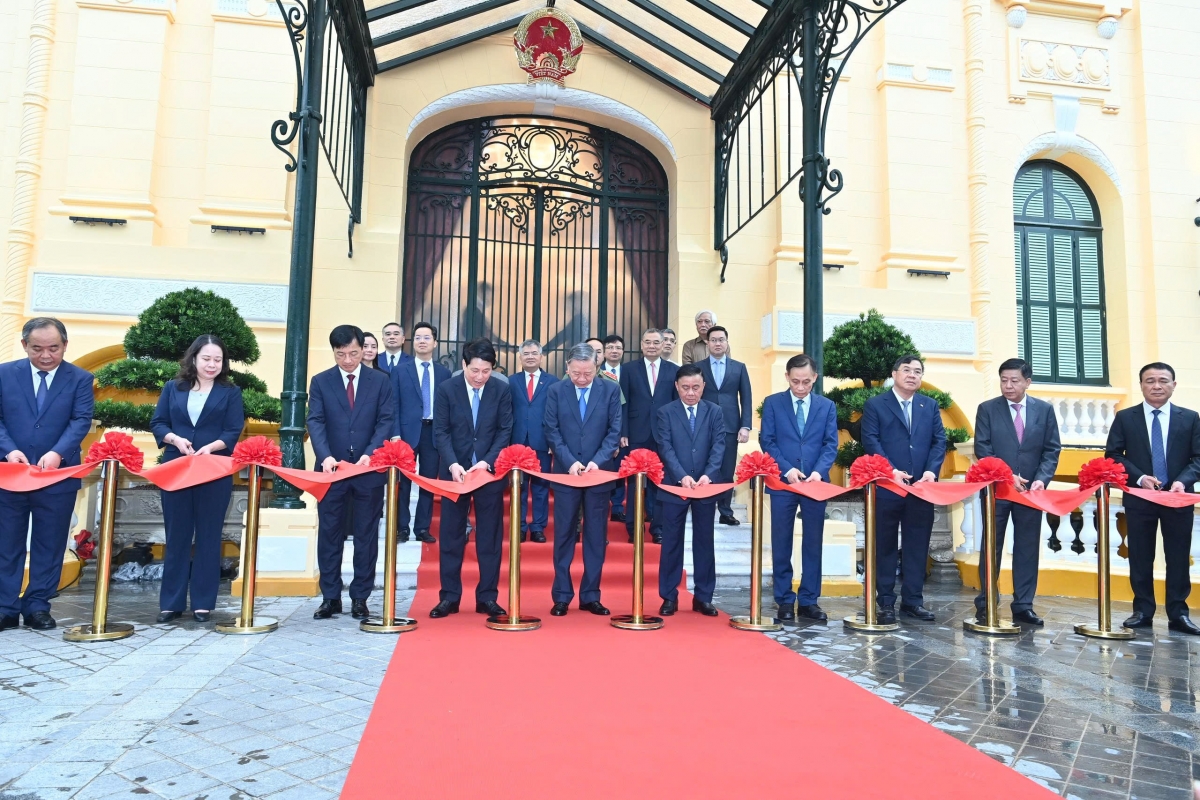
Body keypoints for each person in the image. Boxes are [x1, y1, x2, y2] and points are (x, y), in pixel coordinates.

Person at [0, 318, 94, 631]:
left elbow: (81, 420)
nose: (45, 355)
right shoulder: (4, 374)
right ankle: (5, 607)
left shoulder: (80, 378)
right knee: (6, 543)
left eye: (53, 348)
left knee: (50, 544)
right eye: (37, 348)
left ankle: (38, 606)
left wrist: (58, 453)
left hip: (58, 475)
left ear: (65, 345)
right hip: (10, 474)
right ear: (24, 345)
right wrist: (9, 450)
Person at [150, 335, 246, 623]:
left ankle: (203, 603)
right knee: (176, 535)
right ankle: (171, 603)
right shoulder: (173, 388)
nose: (212, 364)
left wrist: (212, 447)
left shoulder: (230, 392)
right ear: (193, 358)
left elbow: (233, 430)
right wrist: (175, 439)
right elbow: (158, 422)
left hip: (214, 469)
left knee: (208, 535)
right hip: (176, 468)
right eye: (206, 358)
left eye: (218, 359)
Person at [307, 325, 394, 621]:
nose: (347, 360)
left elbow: (385, 421)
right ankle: (330, 597)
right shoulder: (321, 381)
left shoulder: (380, 381)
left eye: (354, 353)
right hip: (332, 471)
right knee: (329, 534)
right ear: (333, 351)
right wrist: (325, 456)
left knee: (366, 536)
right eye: (340, 354)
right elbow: (315, 421)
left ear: (364, 349)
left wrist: (371, 453)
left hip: (368, 471)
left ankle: (360, 597)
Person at [1106, 362, 1200, 634]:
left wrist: (1182, 481)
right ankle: (1143, 611)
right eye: (1150, 381)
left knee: (1178, 557)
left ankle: (1178, 613)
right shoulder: (1126, 417)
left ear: (1173, 385)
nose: (1156, 386)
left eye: (1162, 380)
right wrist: (1139, 478)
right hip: (1140, 498)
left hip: (1177, 498)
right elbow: (1113, 455)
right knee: (1140, 555)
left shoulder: (1190, 418)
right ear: (1141, 385)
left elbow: (1198, 458)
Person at [429, 339, 514, 618]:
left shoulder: (501, 390)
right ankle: (449, 597)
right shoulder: (447, 389)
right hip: (455, 472)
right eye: (475, 370)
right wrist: (453, 463)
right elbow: (441, 431)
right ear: (464, 364)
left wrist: (487, 462)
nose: (480, 377)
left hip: (487, 473)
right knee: (451, 534)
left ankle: (487, 597)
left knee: (489, 536)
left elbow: (504, 430)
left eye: (486, 371)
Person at [973, 358, 1061, 626]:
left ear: (1027, 382)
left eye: (1014, 380)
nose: (1008, 385)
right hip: (997, 490)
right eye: (1004, 380)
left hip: (1030, 492)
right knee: (992, 546)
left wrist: (1042, 480)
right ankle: (987, 601)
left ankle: (1023, 605)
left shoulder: (1044, 410)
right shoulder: (987, 409)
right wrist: (1006, 475)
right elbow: (982, 448)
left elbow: (1051, 449)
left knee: (1027, 548)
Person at [860, 355, 947, 624]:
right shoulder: (876, 404)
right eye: (907, 370)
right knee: (884, 545)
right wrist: (890, 471)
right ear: (894, 374)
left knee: (917, 545)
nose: (912, 375)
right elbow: (871, 440)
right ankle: (885, 601)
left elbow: (939, 441)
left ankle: (913, 601)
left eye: (917, 371)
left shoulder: (929, 405)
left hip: (921, 488)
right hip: (887, 487)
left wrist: (931, 471)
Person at [544, 343, 622, 617]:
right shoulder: (556, 391)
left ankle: (591, 595)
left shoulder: (610, 390)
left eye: (587, 373)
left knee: (596, 536)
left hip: (598, 473)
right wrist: (570, 462)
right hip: (567, 473)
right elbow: (551, 430)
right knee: (564, 534)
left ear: (596, 368)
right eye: (576, 373)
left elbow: (614, 430)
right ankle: (562, 596)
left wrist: (596, 462)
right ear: (567, 367)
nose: (581, 378)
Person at [759, 354, 839, 623]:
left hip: (815, 483)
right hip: (783, 482)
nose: (801, 387)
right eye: (795, 381)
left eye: (806, 381)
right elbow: (768, 441)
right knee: (781, 541)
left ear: (815, 377)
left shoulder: (827, 406)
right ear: (787, 377)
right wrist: (787, 469)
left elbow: (830, 444)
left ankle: (809, 600)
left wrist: (818, 472)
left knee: (813, 542)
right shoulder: (773, 403)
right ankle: (784, 599)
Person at [655, 364, 725, 617]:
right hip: (675, 487)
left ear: (704, 386)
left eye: (696, 387)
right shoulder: (665, 413)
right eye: (685, 388)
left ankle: (703, 597)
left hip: (705, 486)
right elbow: (665, 447)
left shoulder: (715, 411)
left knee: (704, 541)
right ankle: (669, 596)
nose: (691, 393)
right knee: (671, 542)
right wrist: (681, 476)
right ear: (677, 386)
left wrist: (708, 475)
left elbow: (719, 446)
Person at [390, 322, 448, 544]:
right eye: (417, 337)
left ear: (435, 342)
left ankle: (422, 527)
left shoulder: (444, 373)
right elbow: (394, 405)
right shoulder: (400, 371)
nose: (422, 341)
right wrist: (395, 433)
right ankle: (401, 527)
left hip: (433, 432)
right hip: (406, 433)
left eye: (426, 337)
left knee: (428, 481)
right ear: (412, 342)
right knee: (403, 482)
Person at [619, 328, 677, 544]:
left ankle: (658, 528)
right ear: (641, 345)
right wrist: (623, 431)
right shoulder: (628, 369)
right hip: (636, 432)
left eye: (656, 342)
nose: (652, 346)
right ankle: (634, 528)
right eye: (648, 342)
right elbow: (623, 403)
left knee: (660, 482)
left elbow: (675, 405)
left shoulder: (674, 370)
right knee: (635, 482)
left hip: (663, 434)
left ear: (663, 345)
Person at [698, 326, 752, 525]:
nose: (717, 343)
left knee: (727, 470)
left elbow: (746, 398)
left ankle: (725, 511)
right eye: (713, 340)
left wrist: (745, 426)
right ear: (707, 343)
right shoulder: (698, 367)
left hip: (730, 425)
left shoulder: (739, 367)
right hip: (703, 425)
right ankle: (703, 507)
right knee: (704, 467)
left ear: (727, 342)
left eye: (721, 339)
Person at [510, 340, 557, 544]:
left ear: (541, 357)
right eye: (526, 353)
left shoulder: (553, 382)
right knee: (518, 487)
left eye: (534, 353)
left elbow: (556, 414)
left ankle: (538, 527)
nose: (530, 357)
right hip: (517, 442)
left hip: (542, 441)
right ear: (520, 357)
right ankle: (519, 526)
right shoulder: (511, 381)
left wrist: (553, 442)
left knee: (540, 488)